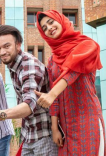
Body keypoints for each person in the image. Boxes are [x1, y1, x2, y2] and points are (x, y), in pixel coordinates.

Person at [35, 10, 105, 155]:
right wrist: (55, 128)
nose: (49, 28)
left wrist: (51, 94)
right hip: (66, 127)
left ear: (61, 20)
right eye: (45, 28)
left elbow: (72, 72)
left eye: (51, 22)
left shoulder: (86, 44)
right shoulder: (52, 60)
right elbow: (53, 95)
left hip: (88, 120)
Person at [0, 25, 58, 155]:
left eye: (7, 46)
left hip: (44, 135)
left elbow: (29, 105)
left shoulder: (29, 65)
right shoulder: (14, 65)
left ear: (18, 45)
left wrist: (0, 114)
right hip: (29, 134)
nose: (2, 52)